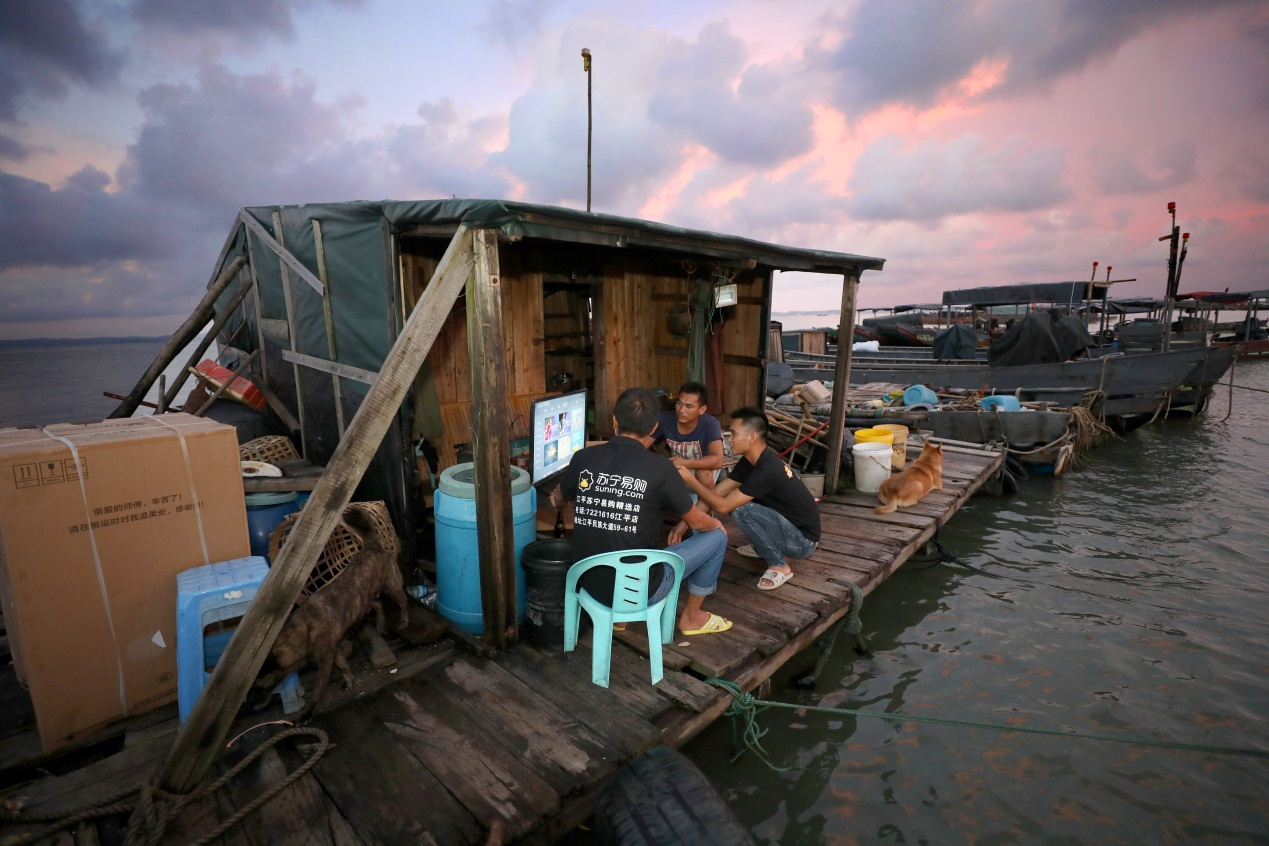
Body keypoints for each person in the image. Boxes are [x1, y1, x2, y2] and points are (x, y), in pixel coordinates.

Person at [551, 387, 732, 635]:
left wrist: (559, 501)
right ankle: (691, 618)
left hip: (586, 584)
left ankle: (617, 619)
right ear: (653, 428)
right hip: (639, 590)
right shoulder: (660, 469)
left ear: (615, 420)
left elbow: (560, 499)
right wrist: (716, 527)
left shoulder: (583, 458)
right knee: (717, 537)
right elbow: (700, 524)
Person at [676, 407, 820, 591]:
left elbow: (722, 506)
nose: (729, 440)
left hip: (802, 543)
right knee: (742, 506)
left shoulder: (767, 469)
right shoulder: (749, 461)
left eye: (734, 434)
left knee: (741, 509)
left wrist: (690, 479)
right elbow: (717, 493)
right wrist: (683, 525)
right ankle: (764, 546)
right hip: (786, 528)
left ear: (752, 437)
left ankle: (779, 565)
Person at [652, 381, 725, 490]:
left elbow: (718, 460)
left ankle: (707, 505)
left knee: (704, 473)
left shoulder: (710, 424)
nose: (681, 410)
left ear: (702, 410)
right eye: (679, 403)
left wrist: (686, 463)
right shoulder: (665, 419)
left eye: (689, 406)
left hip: (701, 467)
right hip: (677, 468)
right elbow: (641, 443)